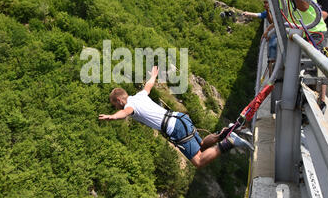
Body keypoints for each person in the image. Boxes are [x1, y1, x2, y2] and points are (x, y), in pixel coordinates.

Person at [98, 66, 254, 169]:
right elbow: (149, 85)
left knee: (199, 162)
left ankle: (230, 142)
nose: (116, 107)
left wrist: (112, 116)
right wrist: (153, 75)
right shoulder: (139, 95)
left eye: (115, 105)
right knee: (201, 145)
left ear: (119, 100)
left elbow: (124, 113)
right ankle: (228, 132)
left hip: (174, 128)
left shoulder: (128, 107)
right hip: (180, 117)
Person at [276, 0, 328, 113]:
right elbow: (282, 13)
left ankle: (318, 105)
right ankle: (302, 107)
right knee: (296, 70)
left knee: (313, 72)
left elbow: (304, 6)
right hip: (297, 33)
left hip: (314, 33)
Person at [307, 0, 328, 113]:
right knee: (306, 66)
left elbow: (323, 15)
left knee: (320, 65)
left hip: (320, 36)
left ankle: (322, 100)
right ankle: (309, 96)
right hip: (305, 35)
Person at [243, 0, 276, 75]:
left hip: (276, 39)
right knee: (271, 61)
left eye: (266, 3)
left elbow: (272, 22)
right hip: (272, 40)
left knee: (273, 60)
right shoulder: (269, 11)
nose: (264, 5)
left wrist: (267, 30)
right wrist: (248, 13)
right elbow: (259, 15)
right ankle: (271, 80)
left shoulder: (276, 10)